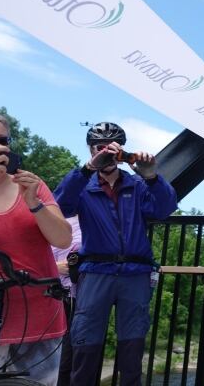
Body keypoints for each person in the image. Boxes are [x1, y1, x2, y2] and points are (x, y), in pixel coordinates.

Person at [54, 122, 177, 386]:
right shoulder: (83, 186)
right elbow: (60, 206)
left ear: (120, 150)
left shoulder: (137, 185)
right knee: (85, 344)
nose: (106, 153)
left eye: (112, 148)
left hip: (135, 273)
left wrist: (152, 177)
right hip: (95, 272)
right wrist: (88, 169)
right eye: (100, 148)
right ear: (91, 150)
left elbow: (164, 209)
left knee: (132, 348)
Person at [0, 106, 72, 385]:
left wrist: (35, 203)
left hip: (40, 319)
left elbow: (62, 239)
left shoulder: (32, 185)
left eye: (3, 141)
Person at [51, 214, 81, 386]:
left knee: (72, 357)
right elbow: (36, 259)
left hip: (84, 299)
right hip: (55, 297)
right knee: (57, 355)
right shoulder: (61, 223)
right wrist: (56, 267)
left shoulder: (107, 226)